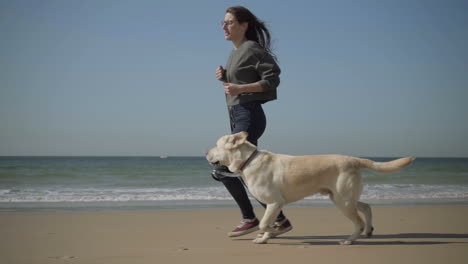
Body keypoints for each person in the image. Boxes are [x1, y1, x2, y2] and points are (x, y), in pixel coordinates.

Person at [212, 6, 293, 238]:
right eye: (223, 22)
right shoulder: (235, 52)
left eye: (229, 22)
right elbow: (238, 84)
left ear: (243, 25)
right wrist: (225, 77)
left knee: (222, 169)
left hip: (248, 114)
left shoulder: (252, 48)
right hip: (238, 114)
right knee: (245, 172)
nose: (224, 26)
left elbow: (272, 78)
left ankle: (250, 218)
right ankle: (279, 220)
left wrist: (240, 87)